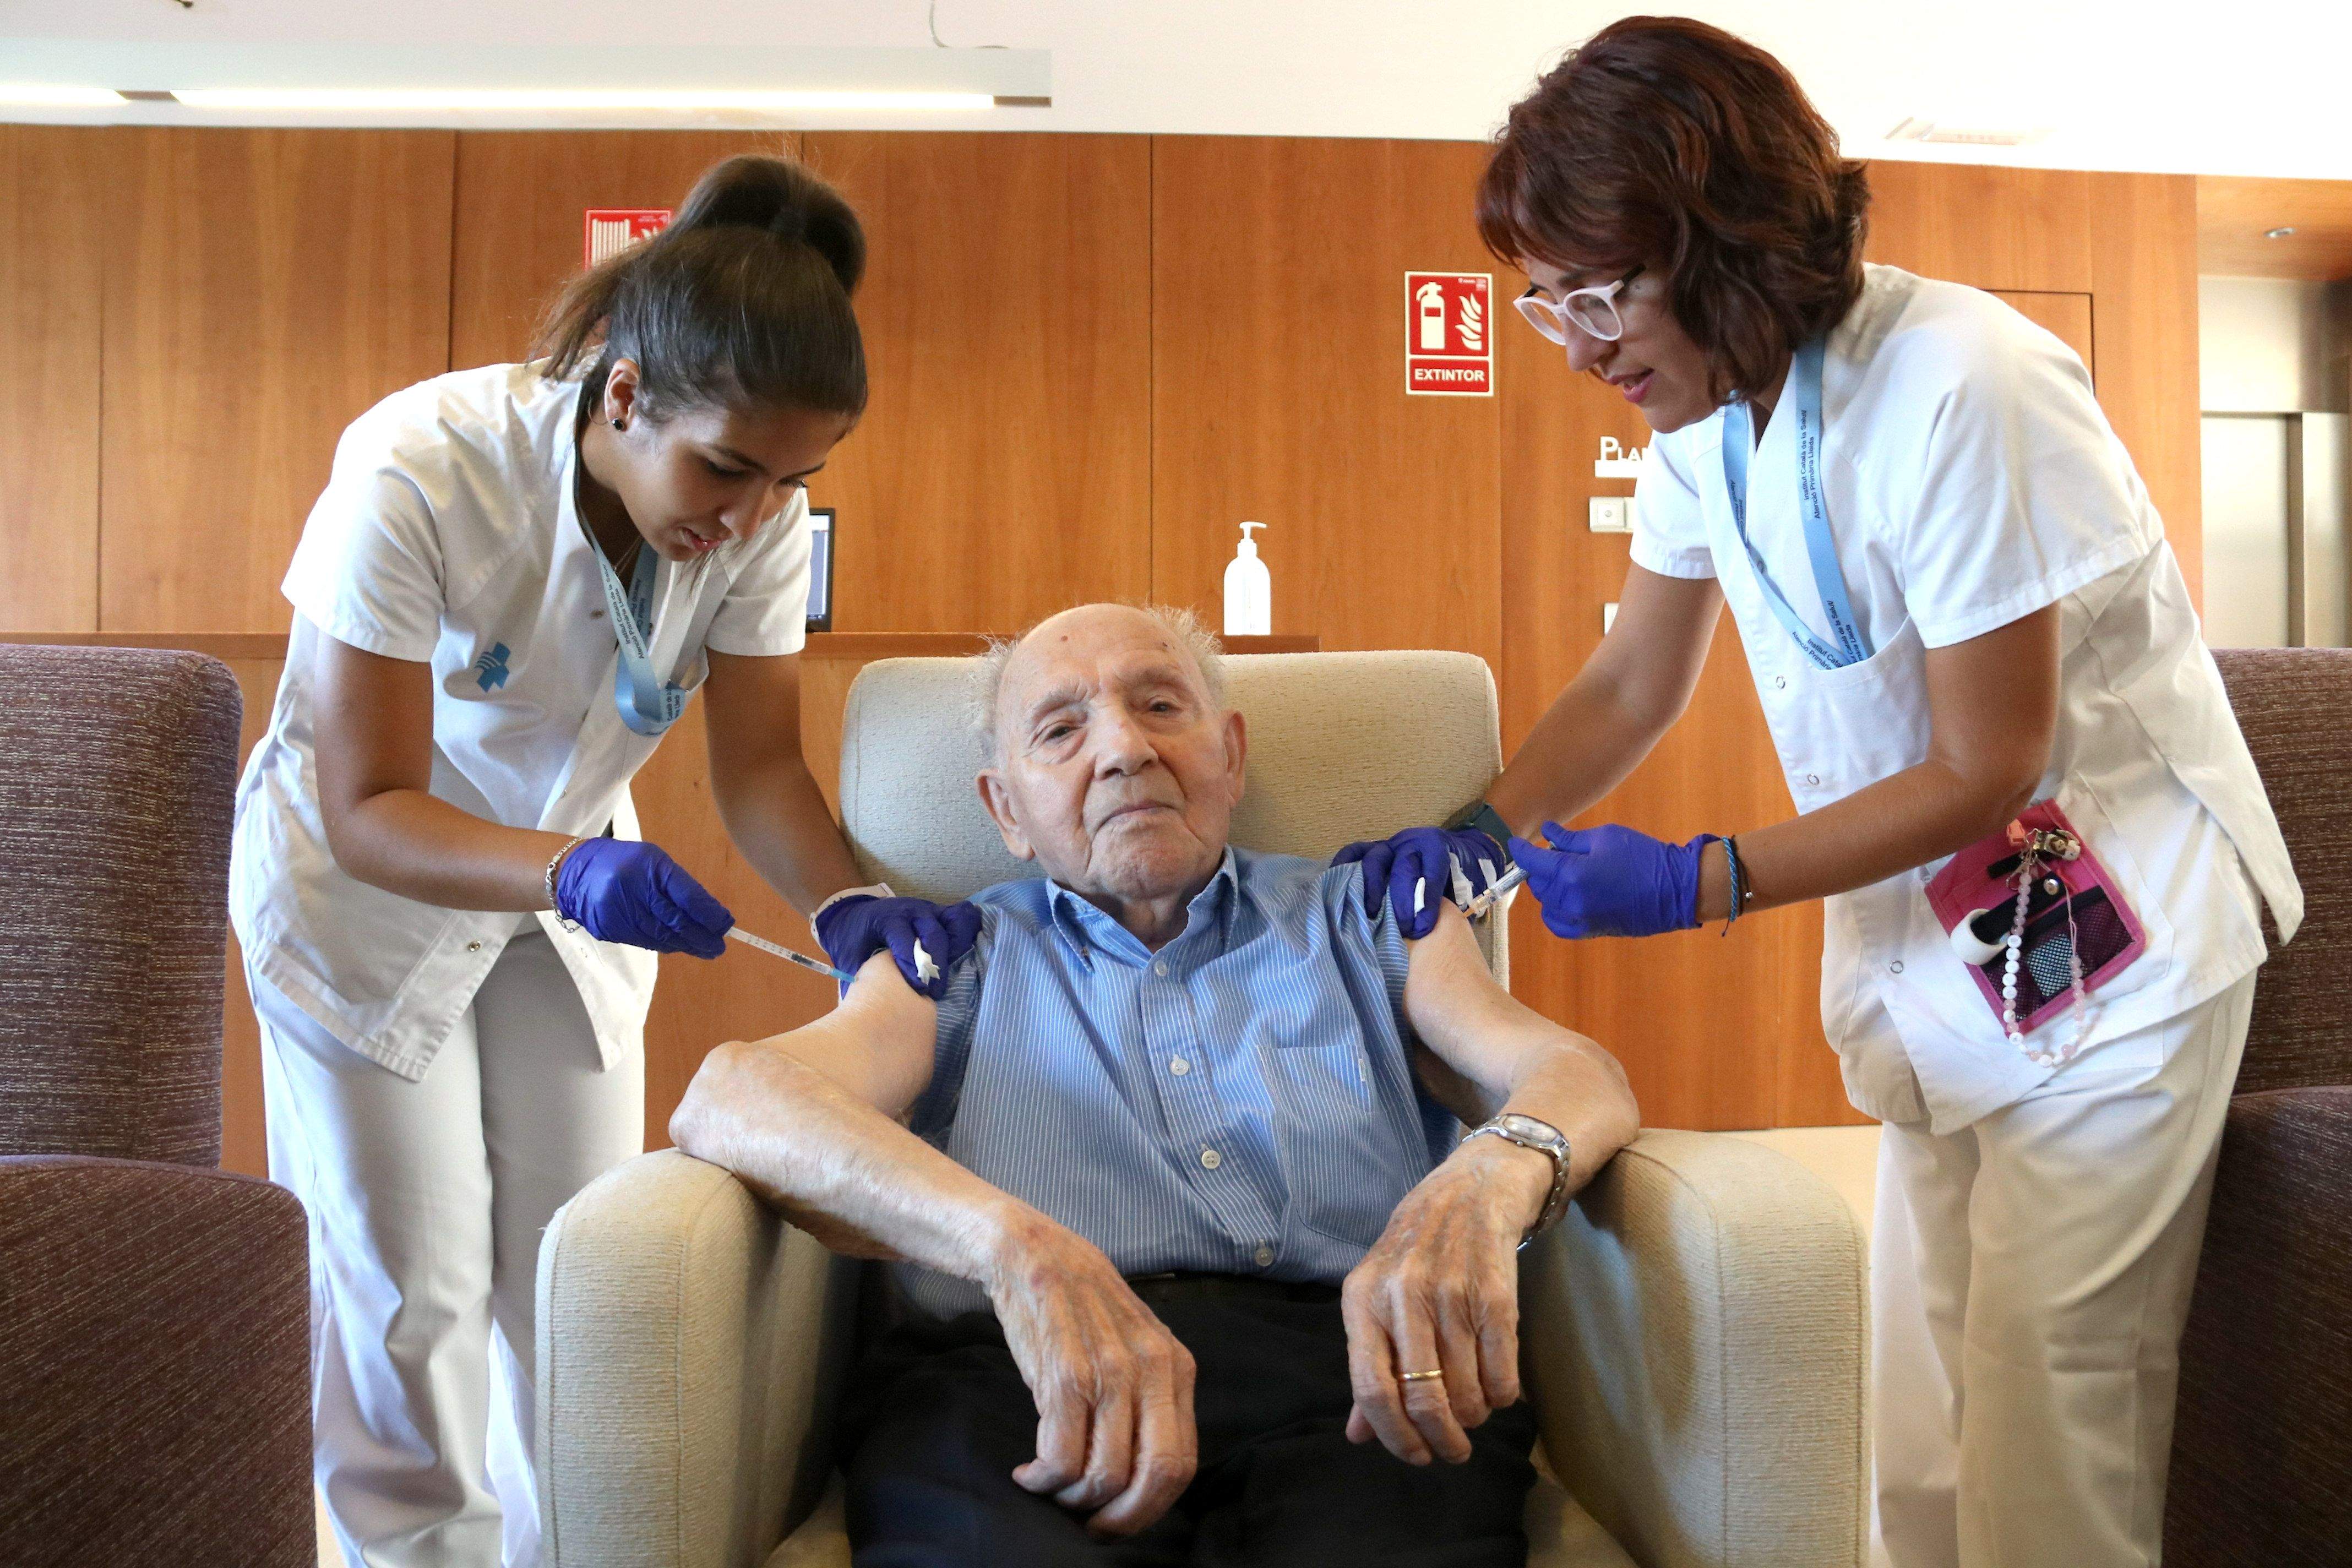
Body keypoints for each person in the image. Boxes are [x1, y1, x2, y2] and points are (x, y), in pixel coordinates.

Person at [1340, 19, 2300, 1568]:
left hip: (2121, 952)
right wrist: (1478, 833)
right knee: (1920, 1409)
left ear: (1718, 241)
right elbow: (1632, 684)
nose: (1576, 344)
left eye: (1599, 293)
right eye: (1547, 305)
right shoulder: (1704, 423)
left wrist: (1704, 878)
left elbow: (1987, 764)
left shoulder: (1967, 382)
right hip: (1955, 962)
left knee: (2054, 1405)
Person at [228, 153, 978, 1568]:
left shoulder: (753, 521)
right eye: (731, 470)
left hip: (567, 897)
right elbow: (369, 799)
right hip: (369, 890)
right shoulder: (425, 466)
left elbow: (759, 772)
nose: (755, 514)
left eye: (795, 482)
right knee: (411, 1287)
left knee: (570, 1275)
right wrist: (567, 869)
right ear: (625, 394)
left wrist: (851, 901)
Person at [669, 603, 1641, 1566]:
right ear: (1006, 809)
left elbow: (1575, 1075)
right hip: (1021, 1377)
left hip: (1353, 1373)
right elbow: (734, 1097)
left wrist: (1486, 1180)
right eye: (1062, 730)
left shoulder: (1372, 917)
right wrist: (1017, 1249)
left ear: (1230, 756)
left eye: (1161, 707)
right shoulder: (950, 957)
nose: (1125, 750)